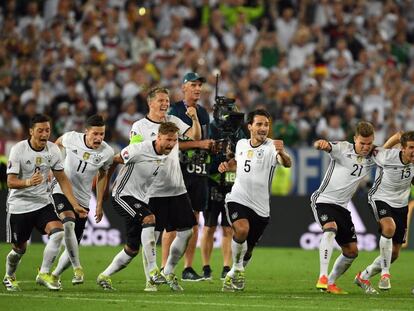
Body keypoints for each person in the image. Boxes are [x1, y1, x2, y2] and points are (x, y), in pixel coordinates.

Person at [3, 114, 86, 291]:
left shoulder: (53, 150)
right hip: (19, 205)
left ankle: (44, 273)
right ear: (31, 131)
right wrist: (27, 182)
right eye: (40, 130)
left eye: (47, 130)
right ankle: (9, 276)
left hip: (42, 203)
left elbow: (62, 179)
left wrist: (74, 203)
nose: (44, 134)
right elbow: (10, 181)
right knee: (19, 250)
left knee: (58, 232)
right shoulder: (18, 149)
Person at [129, 87, 200, 291]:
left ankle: (168, 271)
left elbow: (194, 136)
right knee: (152, 236)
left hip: (177, 188)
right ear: (150, 103)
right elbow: (133, 152)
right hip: (152, 190)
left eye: (167, 100)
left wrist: (193, 119)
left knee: (187, 232)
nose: (165, 104)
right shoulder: (139, 126)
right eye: (160, 100)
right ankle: (150, 279)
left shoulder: (173, 122)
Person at [97, 122, 180, 291]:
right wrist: (104, 190)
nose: (171, 144)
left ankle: (104, 276)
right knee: (149, 219)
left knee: (132, 249)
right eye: (168, 139)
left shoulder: (166, 155)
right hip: (121, 195)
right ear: (158, 137)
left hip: (140, 200)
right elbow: (113, 160)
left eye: (174, 140)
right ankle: (153, 271)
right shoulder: (138, 149)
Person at [218, 109, 292, 291]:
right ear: (249, 126)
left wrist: (282, 153)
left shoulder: (272, 147)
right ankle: (236, 269)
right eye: (259, 124)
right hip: (238, 197)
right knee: (241, 229)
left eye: (266, 124)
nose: (263, 128)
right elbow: (239, 164)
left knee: (248, 250)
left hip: (261, 208)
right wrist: (227, 166)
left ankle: (234, 275)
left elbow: (287, 163)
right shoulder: (242, 144)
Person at [312, 121, 377, 294]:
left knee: (351, 251)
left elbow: (391, 154)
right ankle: (323, 276)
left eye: (369, 143)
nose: (365, 147)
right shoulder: (342, 148)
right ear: (355, 139)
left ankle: (331, 282)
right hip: (324, 200)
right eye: (362, 143)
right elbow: (324, 145)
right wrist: (321, 144)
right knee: (330, 228)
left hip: (342, 206)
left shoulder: (373, 155)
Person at [50, 114, 114, 285]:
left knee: (74, 244)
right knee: (68, 222)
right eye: (95, 134)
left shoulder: (107, 152)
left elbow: (102, 176)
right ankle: (78, 268)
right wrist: (54, 166)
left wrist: (99, 203)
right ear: (86, 132)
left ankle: (55, 275)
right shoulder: (71, 138)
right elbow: (56, 144)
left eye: (102, 134)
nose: (99, 138)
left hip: (83, 199)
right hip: (61, 189)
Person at [354, 131, 414, 293]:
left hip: (401, 204)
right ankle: (385, 274)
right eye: (411, 147)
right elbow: (372, 152)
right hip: (379, 198)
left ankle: (363, 276)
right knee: (389, 227)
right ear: (402, 148)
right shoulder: (387, 156)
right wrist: (394, 138)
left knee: (394, 253)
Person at [168, 72, 213, 281]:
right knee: (173, 222)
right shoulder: (174, 111)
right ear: (184, 87)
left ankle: (187, 268)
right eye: (193, 85)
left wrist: (211, 146)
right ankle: (164, 268)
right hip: (179, 171)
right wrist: (200, 144)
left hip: (199, 172)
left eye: (199, 85)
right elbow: (171, 143)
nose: (197, 89)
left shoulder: (204, 113)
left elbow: (205, 140)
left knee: (195, 221)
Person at [200, 115, 247, 280]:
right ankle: (206, 266)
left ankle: (226, 266)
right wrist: (220, 161)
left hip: (231, 187)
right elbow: (204, 160)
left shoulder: (242, 135)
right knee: (209, 227)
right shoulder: (210, 130)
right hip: (212, 184)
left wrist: (233, 161)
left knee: (228, 229)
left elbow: (245, 160)